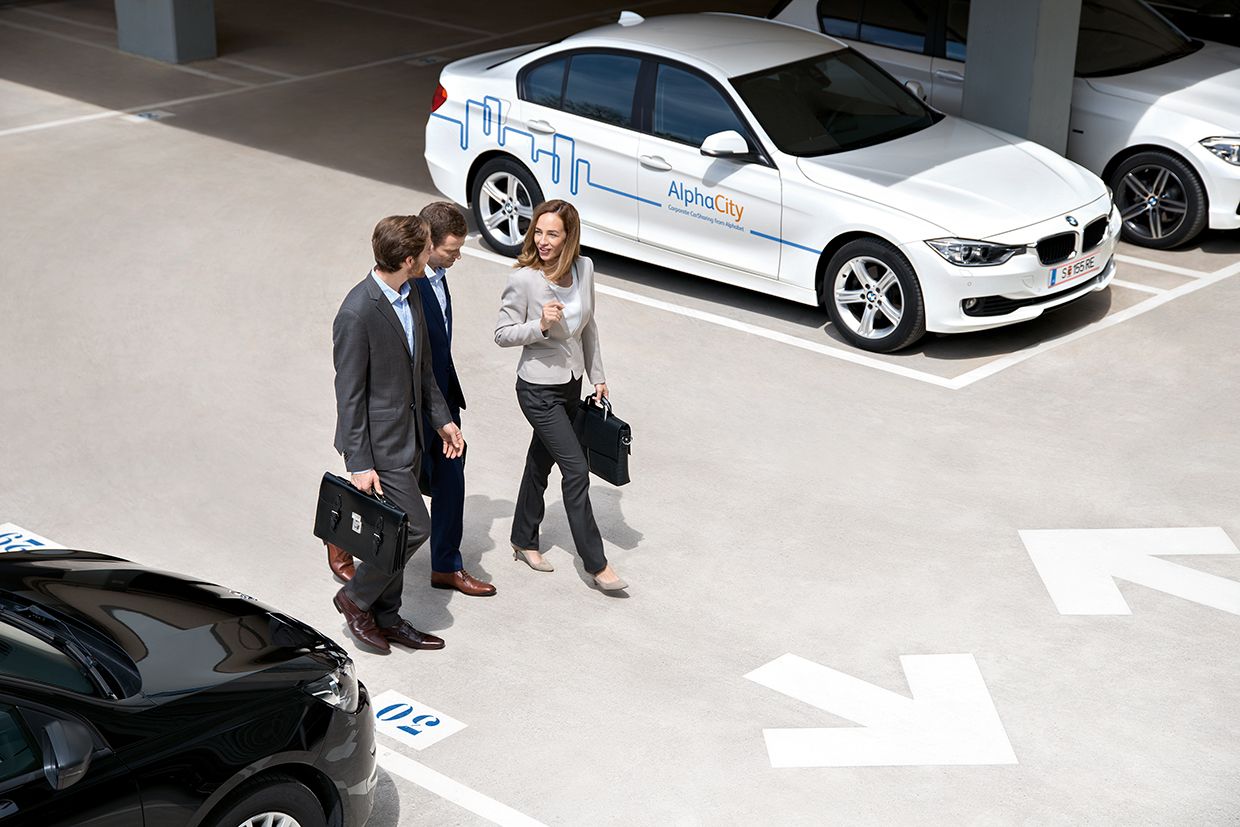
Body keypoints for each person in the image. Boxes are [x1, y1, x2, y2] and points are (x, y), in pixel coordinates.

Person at [331, 215, 465, 653]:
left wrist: (442, 420)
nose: (431, 255)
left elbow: (422, 369)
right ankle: (355, 599)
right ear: (409, 259)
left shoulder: (413, 295)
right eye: (426, 250)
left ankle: (387, 617)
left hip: (411, 437)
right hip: (379, 446)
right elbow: (349, 394)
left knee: (392, 529)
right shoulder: (357, 312)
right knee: (414, 527)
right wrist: (359, 462)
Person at [494, 199, 627, 592]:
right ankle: (597, 564)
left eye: (552, 233)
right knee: (575, 469)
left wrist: (597, 376)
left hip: (571, 385)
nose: (543, 240)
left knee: (540, 462)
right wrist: (539, 325)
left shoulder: (585, 268)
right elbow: (502, 334)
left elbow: (589, 326)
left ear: (569, 237)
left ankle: (523, 539)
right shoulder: (524, 279)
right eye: (538, 231)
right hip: (537, 390)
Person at [414, 201, 495, 597]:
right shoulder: (408, 283)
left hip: (444, 397)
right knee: (395, 479)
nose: (458, 257)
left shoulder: (438, 274)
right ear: (427, 244)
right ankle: (343, 535)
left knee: (451, 477)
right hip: (414, 404)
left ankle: (446, 565)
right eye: (452, 250)